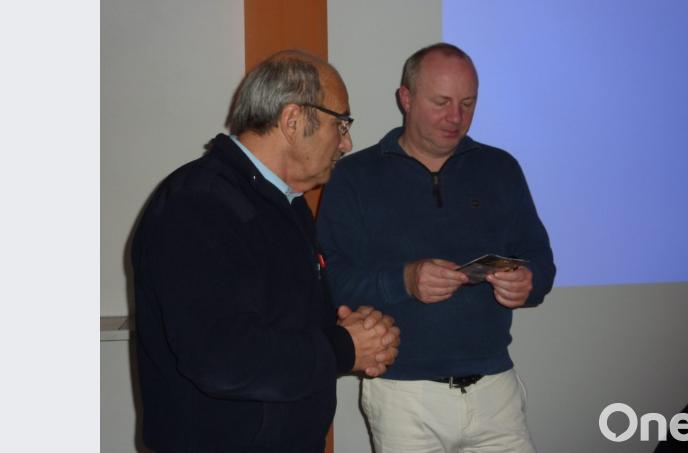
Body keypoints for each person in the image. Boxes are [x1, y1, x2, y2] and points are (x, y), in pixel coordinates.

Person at [132, 50, 400, 452]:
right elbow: (222, 358)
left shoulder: (285, 203)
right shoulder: (197, 204)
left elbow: (285, 323)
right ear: (293, 120)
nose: (346, 143)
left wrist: (358, 334)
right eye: (340, 123)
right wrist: (344, 348)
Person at [317, 43, 556, 452]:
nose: (456, 117)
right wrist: (405, 280)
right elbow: (331, 282)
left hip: (496, 389)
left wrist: (528, 282)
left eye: (468, 103)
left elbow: (541, 261)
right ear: (405, 98)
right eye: (441, 102)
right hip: (404, 396)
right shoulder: (355, 176)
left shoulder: (500, 168)